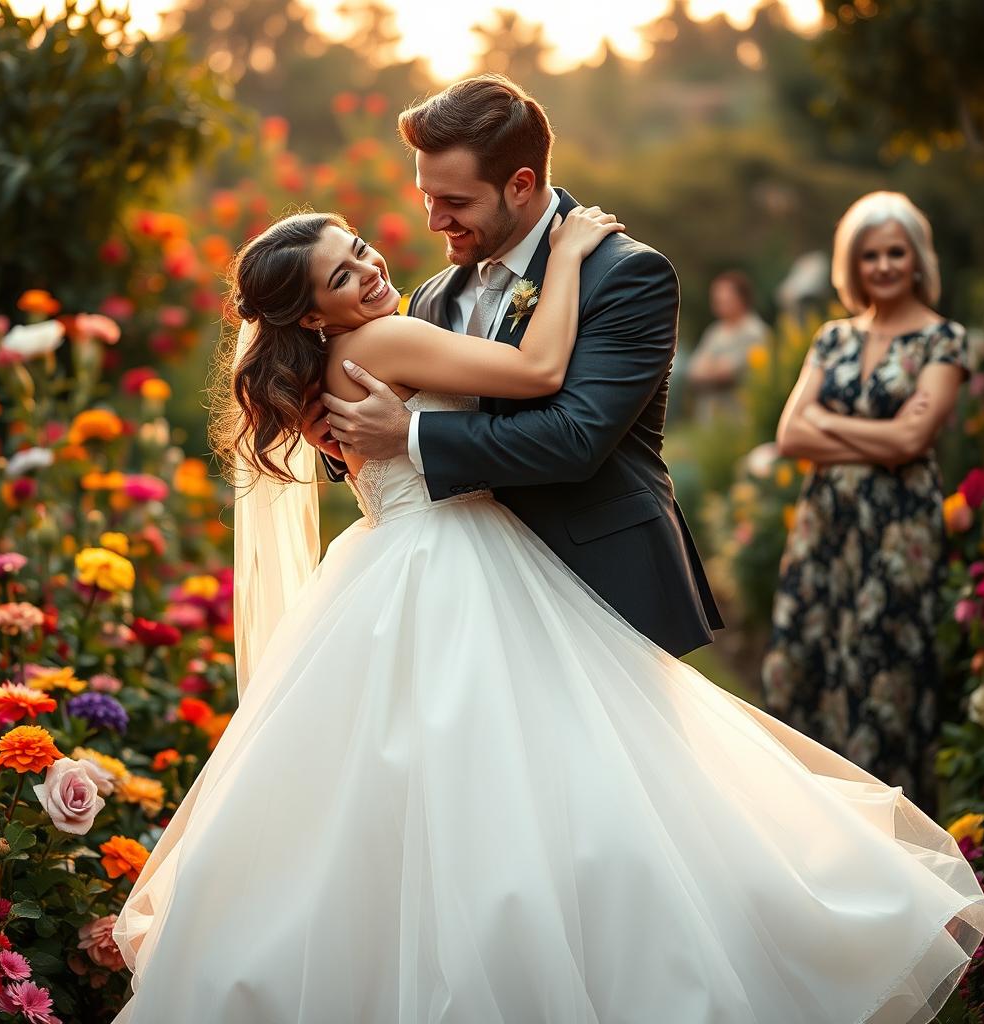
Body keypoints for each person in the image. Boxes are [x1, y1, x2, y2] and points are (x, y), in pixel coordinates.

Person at [107, 223, 984, 1023]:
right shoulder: (387, 336)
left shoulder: (320, 368)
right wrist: (565, 260)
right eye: (344, 273)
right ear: (312, 311)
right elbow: (537, 375)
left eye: (363, 247)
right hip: (456, 559)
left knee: (407, 796)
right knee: (555, 773)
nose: (373, 268)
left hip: (385, 564)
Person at [309, 75, 723, 659]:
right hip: (471, 597)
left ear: (521, 184)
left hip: (598, 578)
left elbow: (576, 439)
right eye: (427, 196)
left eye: (455, 202)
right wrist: (343, 436)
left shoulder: (626, 276)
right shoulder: (431, 297)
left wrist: (409, 435)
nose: (433, 220)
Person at [763, 190, 971, 816]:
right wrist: (879, 443)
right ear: (853, 265)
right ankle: (813, 828)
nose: (883, 266)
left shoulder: (944, 340)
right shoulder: (832, 338)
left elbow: (913, 440)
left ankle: (896, 840)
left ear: (917, 259)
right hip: (827, 528)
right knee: (810, 661)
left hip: (898, 534)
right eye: (871, 255)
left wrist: (831, 422)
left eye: (896, 253)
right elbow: (789, 435)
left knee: (884, 676)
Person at [685, 270, 771, 422]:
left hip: (740, 419)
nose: (718, 301)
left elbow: (729, 371)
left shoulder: (755, 332)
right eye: (716, 298)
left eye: (725, 297)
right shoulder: (714, 331)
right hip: (711, 421)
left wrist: (710, 367)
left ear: (741, 298)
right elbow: (693, 370)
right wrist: (714, 367)